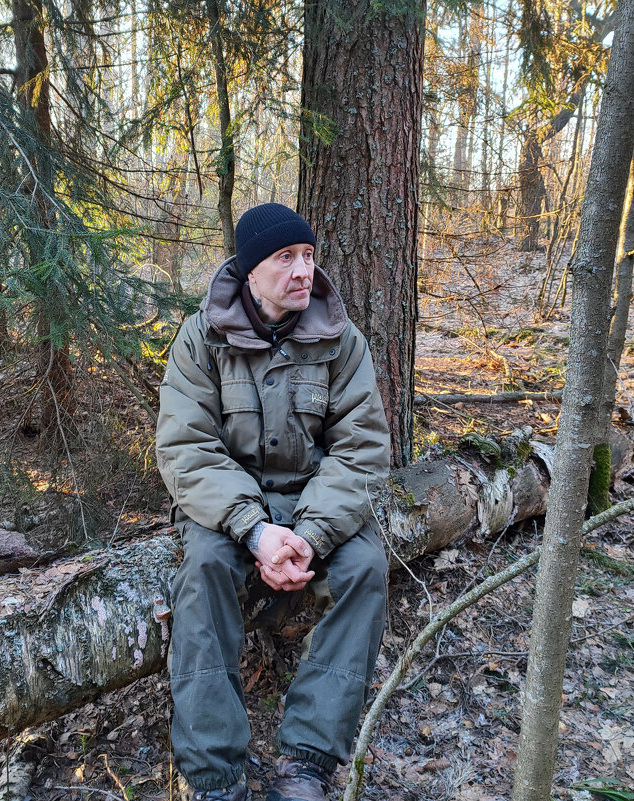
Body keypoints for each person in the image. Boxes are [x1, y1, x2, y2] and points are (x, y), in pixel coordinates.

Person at [155, 203, 391, 801]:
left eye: (308, 256)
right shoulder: (201, 337)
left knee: (366, 568)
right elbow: (186, 448)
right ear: (249, 270)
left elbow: (361, 448)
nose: (303, 270)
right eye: (286, 257)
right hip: (227, 505)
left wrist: (311, 534)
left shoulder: (342, 340)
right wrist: (255, 531)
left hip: (313, 498)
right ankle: (215, 774)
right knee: (204, 569)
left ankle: (307, 761)